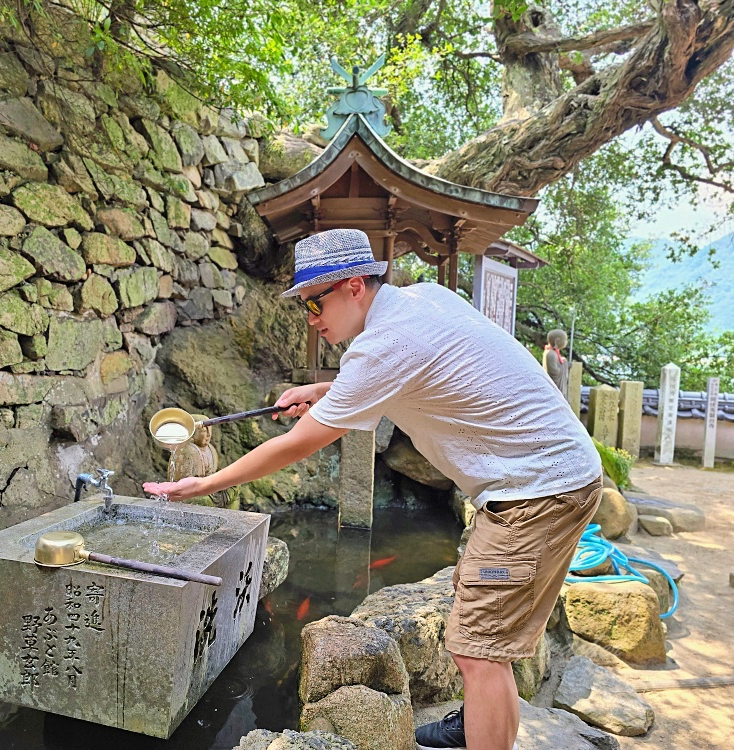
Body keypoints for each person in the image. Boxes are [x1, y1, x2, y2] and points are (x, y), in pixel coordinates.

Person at [143, 228, 602, 750]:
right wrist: (326, 391)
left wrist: (207, 482)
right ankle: (477, 719)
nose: (312, 319)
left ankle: (486, 731)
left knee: (480, 649)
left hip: (538, 496)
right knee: (472, 606)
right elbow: (404, 373)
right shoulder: (421, 299)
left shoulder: (383, 346)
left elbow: (298, 445)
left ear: (353, 285)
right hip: (546, 479)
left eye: (315, 302)